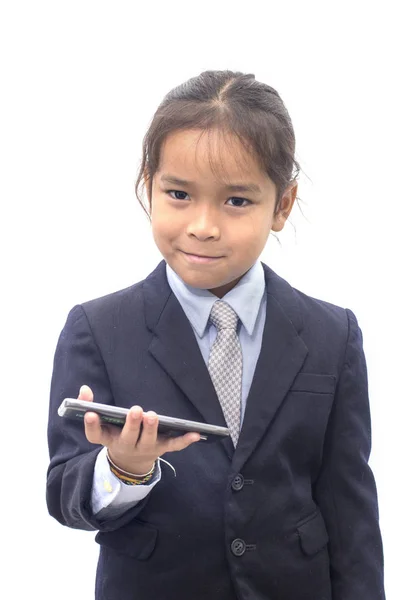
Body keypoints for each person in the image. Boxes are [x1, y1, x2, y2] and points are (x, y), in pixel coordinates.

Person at [46, 69, 385, 600]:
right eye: (178, 193)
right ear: (147, 185)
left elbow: (350, 507)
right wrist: (122, 469)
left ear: (283, 205)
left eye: (236, 201)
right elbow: (64, 494)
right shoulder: (97, 329)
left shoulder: (331, 334)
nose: (203, 225)